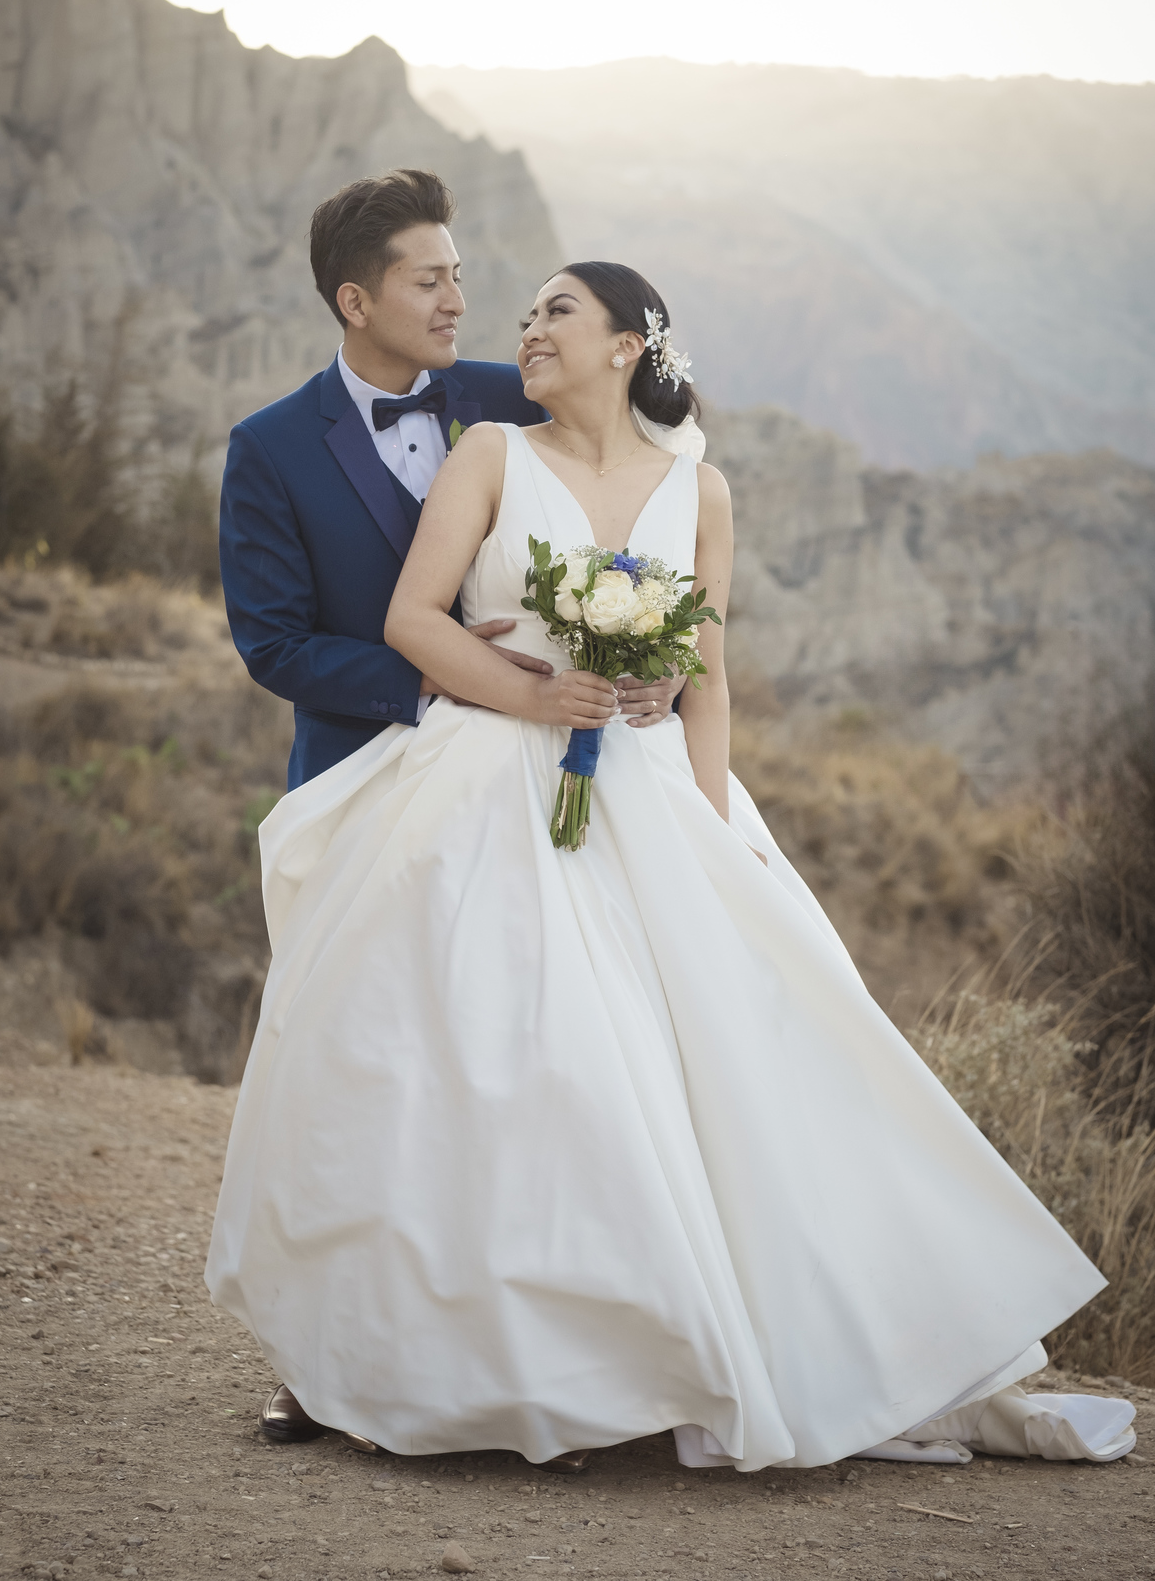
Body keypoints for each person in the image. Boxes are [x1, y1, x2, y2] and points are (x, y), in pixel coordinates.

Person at [207, 261, 1135, 1473]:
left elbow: (709, 673)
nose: (526, 328)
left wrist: (712, 829)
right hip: (485, 781)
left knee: (683, 1068)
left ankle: (647, 1360)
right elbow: (414, 622)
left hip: (645, 797)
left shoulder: (702, 490)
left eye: (556, 312)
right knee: (485, 1063)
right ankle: (447, 1355)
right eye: (525, 311)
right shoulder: (489, 452)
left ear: (627, 346)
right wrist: (539, 693)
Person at [218, 169, 679, 792]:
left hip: (537, 765)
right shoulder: (272, 447)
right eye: (429, 283)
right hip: (364, 770)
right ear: (355, 303)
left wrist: (660, 661)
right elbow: (276, 648)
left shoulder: (519, 398)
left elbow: (621, 522)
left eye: (456, 278)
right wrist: (439, 670)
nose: (456, 303)